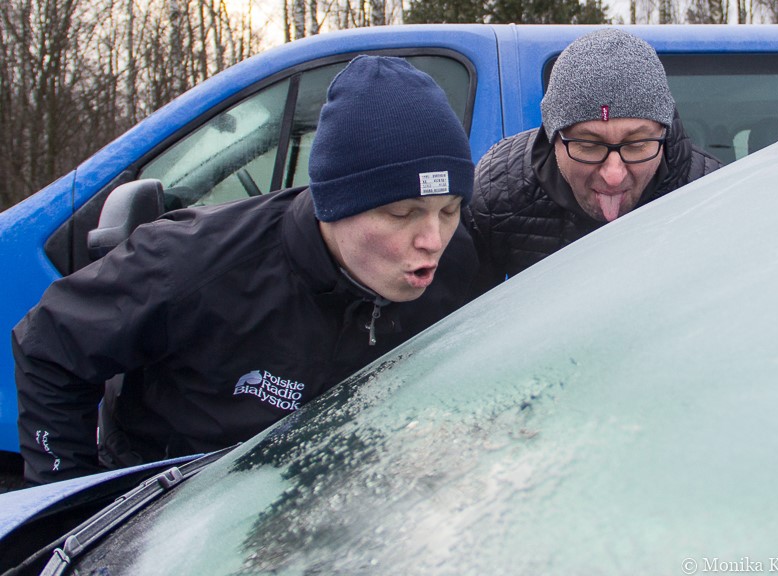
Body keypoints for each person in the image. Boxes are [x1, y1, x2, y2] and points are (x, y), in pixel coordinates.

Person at [13, 55, 478, 485]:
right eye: (402, 213)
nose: (433, 240)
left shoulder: (453, 264)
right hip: (167, 511)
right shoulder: (195, 262)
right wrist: (67, 499)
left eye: (450, 209)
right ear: (335, 204)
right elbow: (50, 345)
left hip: (329, 506)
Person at [467, 28, 722, 292]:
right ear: (553, 136)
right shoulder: (501, 191)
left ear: (664, 133)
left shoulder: (714, 199)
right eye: (588, 145)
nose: (614, 175)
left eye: (636, 145)